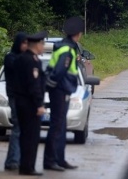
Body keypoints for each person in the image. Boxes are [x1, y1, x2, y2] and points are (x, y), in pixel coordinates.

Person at [43, 16, 84, 171]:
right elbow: (59, 70)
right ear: (78, 34)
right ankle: (50, 161)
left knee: (61, 126)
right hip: (60, 91)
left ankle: (60, 159)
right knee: (57, 126)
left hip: (60, 90)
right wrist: (54, 86)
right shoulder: (67, 50)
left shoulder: (64, 46)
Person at [14, 31, 48, 176]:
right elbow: (34, 85)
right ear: (38, 44)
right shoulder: (31, 61)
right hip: (29, 105)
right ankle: (28, 167)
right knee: (31, 137)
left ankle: (25, 166)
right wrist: (39, 104)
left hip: (21, 102)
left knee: (25, 136)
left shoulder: (22, 58)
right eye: (43, 44)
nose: (44, 47)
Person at [4, 32, 28, 171]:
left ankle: (14, 159)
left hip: (23, 96)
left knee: (20, 129)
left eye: (27, 43)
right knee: (17, 128)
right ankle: (13, 160)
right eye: (24, 43)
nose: (26, 46)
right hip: (14, 96)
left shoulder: (23, 57)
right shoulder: (11, 58)